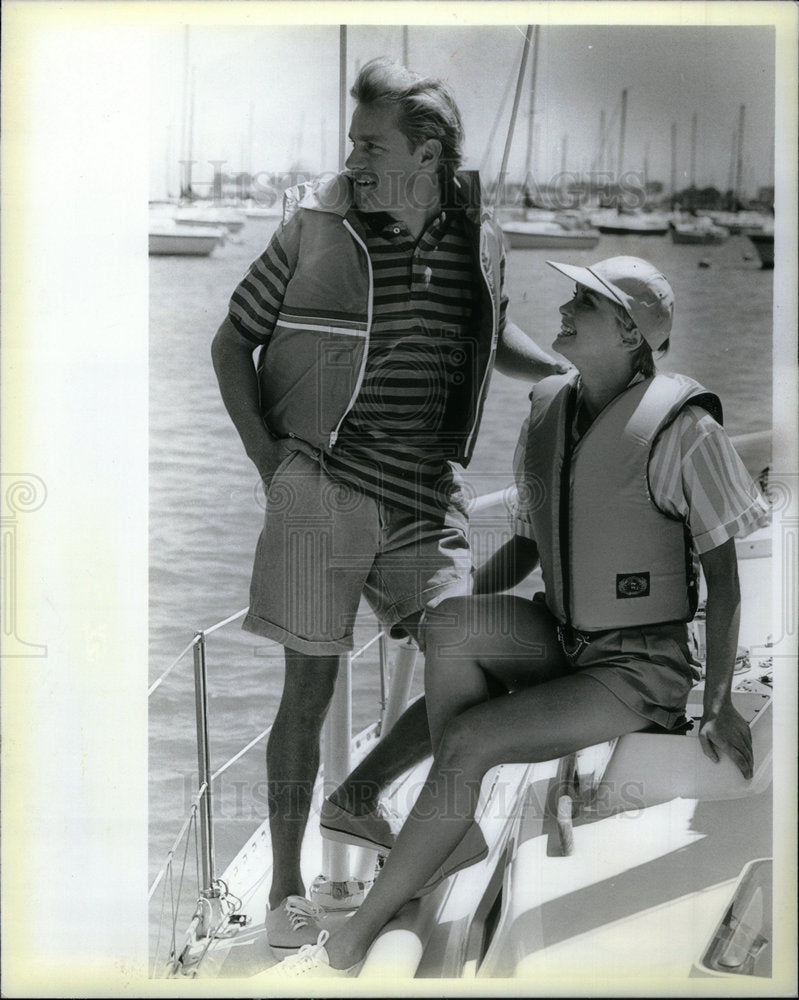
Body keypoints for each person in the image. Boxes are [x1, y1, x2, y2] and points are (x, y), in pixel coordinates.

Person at [258, 254, 769, 977]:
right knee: (451, 630)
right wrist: (454, 616)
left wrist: (715, 700)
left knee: (468, 740)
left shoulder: (683, 433)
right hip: (560, 635)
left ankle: (353, 936)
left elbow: (722, 577)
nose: (561, 310)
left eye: (582, 305)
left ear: (628, 334)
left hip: (636, 668)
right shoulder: (551, 410)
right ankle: (448, 828)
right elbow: (534, 541)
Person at [211, 57, 564, 955]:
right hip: (317, 484)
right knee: (309, 688)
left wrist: (566, 373)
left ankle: (383, 808)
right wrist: (268, 463)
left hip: (422, 493)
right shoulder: (315, 227)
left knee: (471, 647)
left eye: (371, 143)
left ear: (428, 150)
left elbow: (493, 337)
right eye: (353, 141)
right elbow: (231, 341)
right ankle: (290, 886)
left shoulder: (478, 236)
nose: (353, 157)